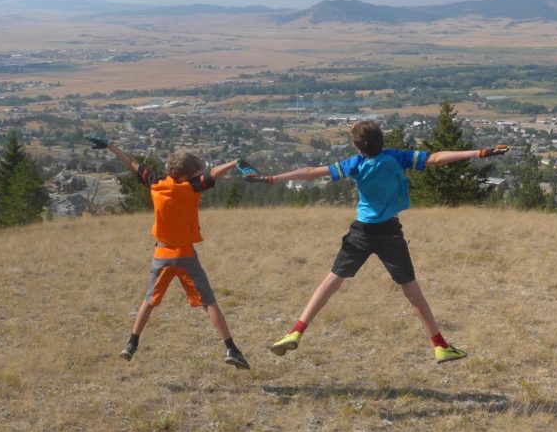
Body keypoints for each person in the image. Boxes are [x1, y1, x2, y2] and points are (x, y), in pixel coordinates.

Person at [246, 120, 508, 364]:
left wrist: (272, 178)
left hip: (361, 231)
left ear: (358, 146)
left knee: (331, 281)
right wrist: (479, 153)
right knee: (412, 292)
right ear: (381, 140)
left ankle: (296, 331)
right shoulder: (395, 157)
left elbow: (312, 172)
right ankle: (440, 346)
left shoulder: (355, 164)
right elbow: (437, 159)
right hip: (389, 233)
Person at [87, 136, 251, 370]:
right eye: (195, 174)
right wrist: (235, 162)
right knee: (209, 302)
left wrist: (110, 147)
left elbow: (131, 163)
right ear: (186, 176)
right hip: (185, 256)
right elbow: (213, 174)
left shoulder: (155, 183)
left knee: (149, 300)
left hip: (161, 255)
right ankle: (231, 348)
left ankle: (132, 342)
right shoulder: (191, 187)